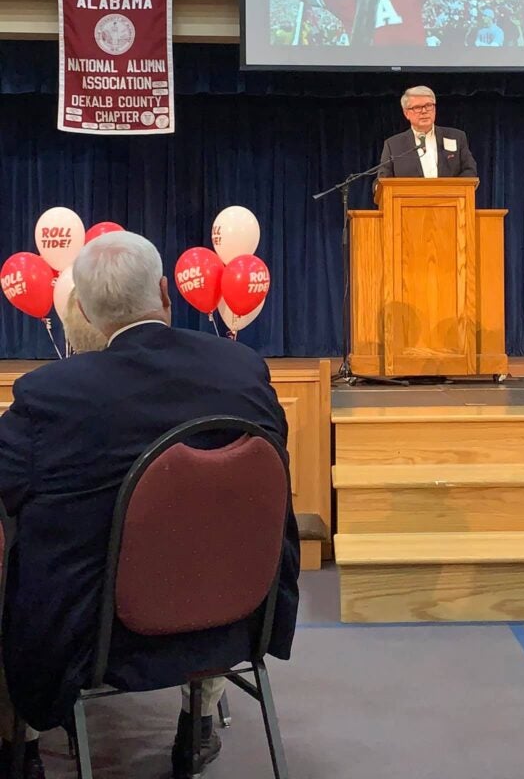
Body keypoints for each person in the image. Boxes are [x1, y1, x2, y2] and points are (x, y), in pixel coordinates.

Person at [0, 232, 300, 779]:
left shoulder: (50, 396)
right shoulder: (243, 370)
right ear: (166, 293)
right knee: (211, 531)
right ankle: (200, 716)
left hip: (96, 639)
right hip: (236, 617)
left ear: (84, 311)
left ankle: (22, 743)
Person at [376, 85, 478, 184]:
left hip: (451, 200)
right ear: (406, 113)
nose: (424, 111)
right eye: (417, 107)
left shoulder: (456, 137)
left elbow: (469, 171)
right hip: (409, 201)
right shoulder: (393, 145)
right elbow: (383, 179)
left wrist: (452, 190)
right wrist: (377, 187)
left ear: (434, 109)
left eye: (428, 105)